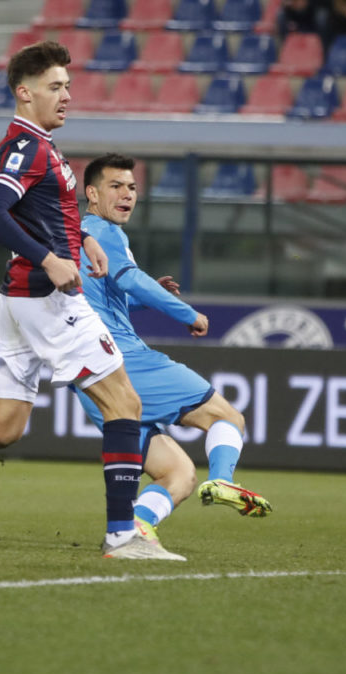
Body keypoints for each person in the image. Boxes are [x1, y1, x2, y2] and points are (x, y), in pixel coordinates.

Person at [0, 41, 180, 561]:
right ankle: (123, 534)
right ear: (24, 93)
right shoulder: (27, 146)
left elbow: (44, 210)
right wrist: (50, 259)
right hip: (46, 297)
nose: (67, 95)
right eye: (55, 86)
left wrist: (82, 241)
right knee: (125, 404)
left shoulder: (41, 144)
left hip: (19, 300)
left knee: (4, 429)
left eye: (68, 85)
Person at [73, 153, 272, 547]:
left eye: (131, 187)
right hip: (125, 361)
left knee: (178, 475)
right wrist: (187, 313)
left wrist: (151, 298)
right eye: (116, 186)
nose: (127, 194)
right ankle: (224, 481)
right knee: (227, 417)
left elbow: (112, 299)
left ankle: (133, 530)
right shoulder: (100, 231)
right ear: (92, 194)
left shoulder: (81, 237)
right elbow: (131, 280)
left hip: (93, 376)